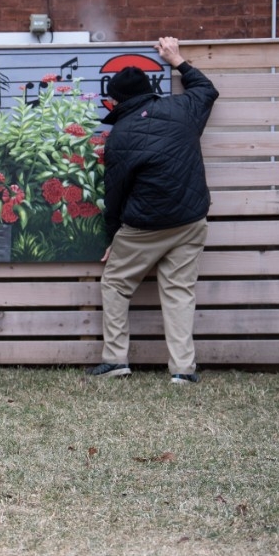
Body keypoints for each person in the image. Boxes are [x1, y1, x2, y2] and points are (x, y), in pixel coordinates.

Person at [88, 36, 219, 384]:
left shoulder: (121, 135)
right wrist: (177, 59)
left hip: (144, 226)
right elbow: (207, 90)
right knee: (178, 292)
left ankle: (116, 360)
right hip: (191, 220)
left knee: (115, 283)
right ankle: (183, 370)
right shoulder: (182, 109)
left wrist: (113, 235)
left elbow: (114, 193)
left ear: (119, 100)